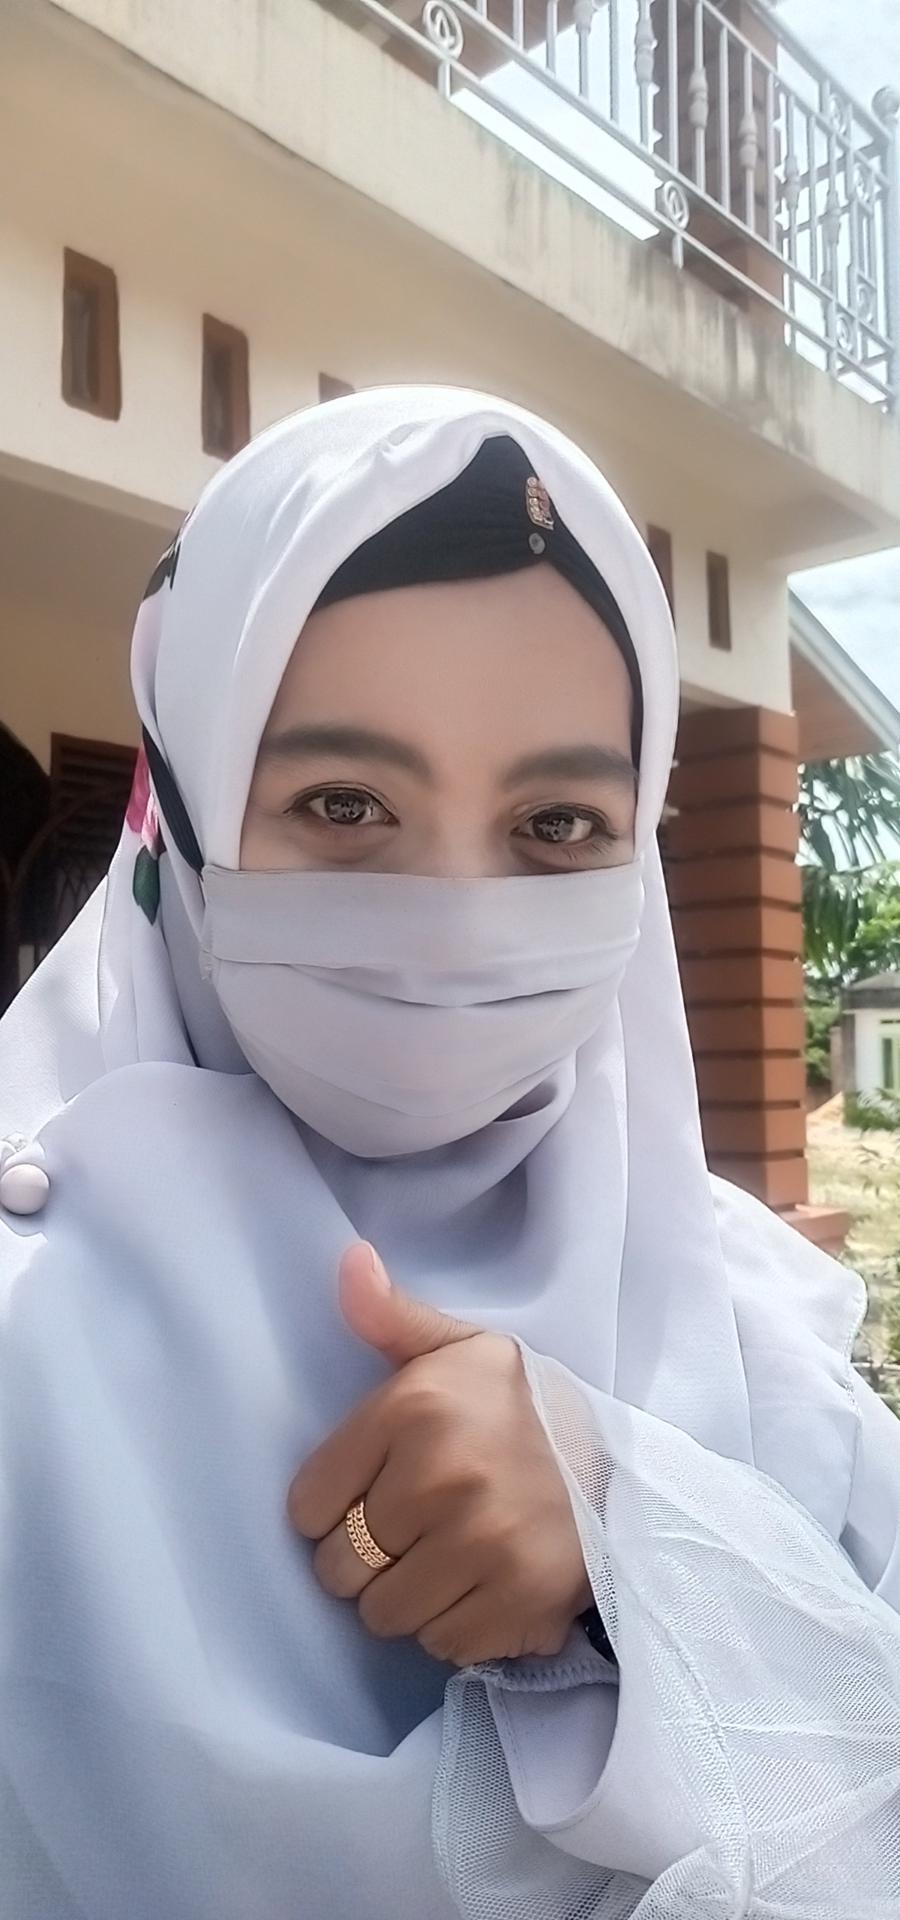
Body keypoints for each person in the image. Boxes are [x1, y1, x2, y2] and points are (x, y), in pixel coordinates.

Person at [1, 387, 898, 1920]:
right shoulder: (27, 1337)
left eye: (557, 825)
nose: (462, 922)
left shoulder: (757, 1327)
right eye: (344, 802)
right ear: (185, 821)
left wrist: (637, 1540)